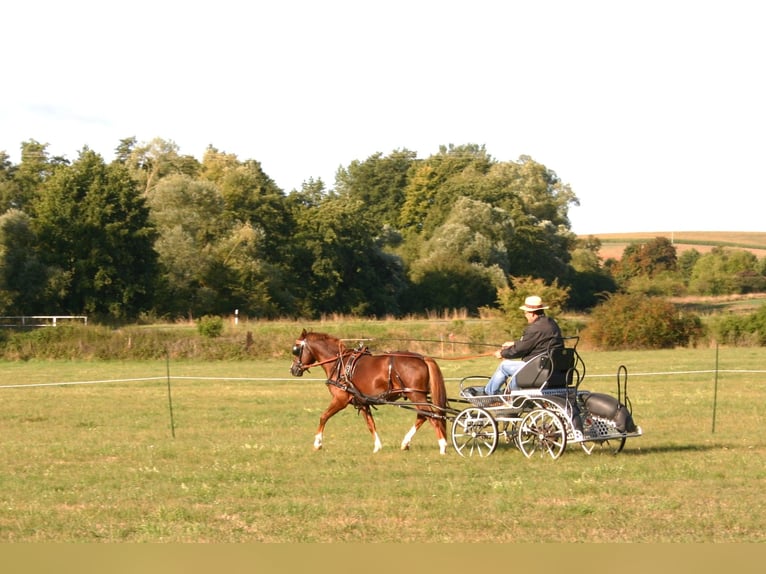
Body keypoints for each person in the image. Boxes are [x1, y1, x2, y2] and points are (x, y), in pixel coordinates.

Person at [483, 295, 563, 395]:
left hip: (538, 368)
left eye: (526, 313)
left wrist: (502, 353)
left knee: (504, 366)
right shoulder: (551, 323)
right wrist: (514, 343)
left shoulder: (534, 328)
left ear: (532, 314)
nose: (525, 315)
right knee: (514, 372)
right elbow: (537, 342)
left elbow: (520, 350)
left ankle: (490, 394)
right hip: (551, 366)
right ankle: (511, 395)